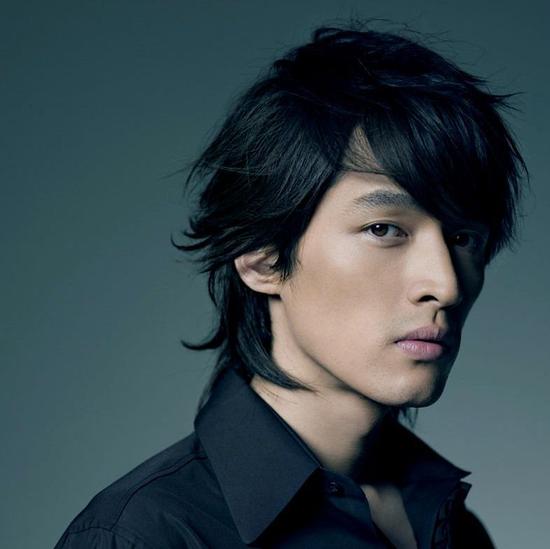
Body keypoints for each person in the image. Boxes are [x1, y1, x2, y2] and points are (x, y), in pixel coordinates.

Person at [55, 23, 526, 548]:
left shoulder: (454, 528)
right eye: (383, 229)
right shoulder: (145, 534)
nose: (445, 284)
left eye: (463, 237)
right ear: (261, 258)